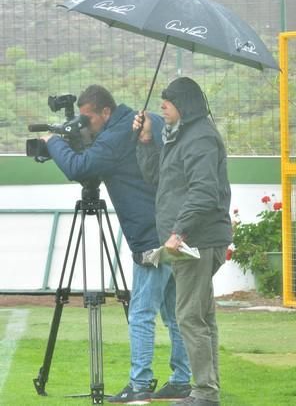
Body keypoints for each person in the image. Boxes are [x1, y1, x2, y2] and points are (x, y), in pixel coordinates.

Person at [41, 85, 192, 403]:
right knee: (173, 313)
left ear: (105, 112)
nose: (85, 125)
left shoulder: (117, 134)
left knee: (141, 313)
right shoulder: (137, 121)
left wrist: (53, 142)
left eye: (88, 119)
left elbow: (78, 168)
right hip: (169, 228)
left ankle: (139, 385)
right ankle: (181, 380)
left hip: (150, 235)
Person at [133, 77, 231, 406]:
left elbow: (204, 192)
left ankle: (204, 393)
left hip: (197, 241)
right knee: (202, 316)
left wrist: (179, 231)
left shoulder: (200, 138)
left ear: (184, 104)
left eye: (168, 100)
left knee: (189, 316)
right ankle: (208, 389)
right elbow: (158, 180)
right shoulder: (182, 136)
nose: (162, 105)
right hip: (194, 239)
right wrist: (146, 141)